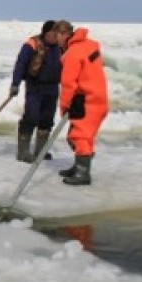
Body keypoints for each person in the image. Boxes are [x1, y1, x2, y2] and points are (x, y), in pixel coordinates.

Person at [53, 20, 109, 186]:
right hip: (98, 99)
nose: (57, 42)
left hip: (87, 100)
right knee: (84, 136)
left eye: (57, 37)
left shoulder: (73, 53)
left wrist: (64, 107)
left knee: (79, 136)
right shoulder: (89, 45)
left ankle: (83, 173)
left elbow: (68, 84)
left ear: (63, 35)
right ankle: (79, 166)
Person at [10, 20, 62, 163]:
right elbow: (21, 63)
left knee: (46, 120)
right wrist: (15, 83)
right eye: (52, 33)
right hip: (35, 86)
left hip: (52, 88)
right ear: (45, 32)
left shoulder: (60, 47)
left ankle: (41, 151)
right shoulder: (32, 44)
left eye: (56, 34)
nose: (54, 36)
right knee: (31, 117)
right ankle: (23, 152)